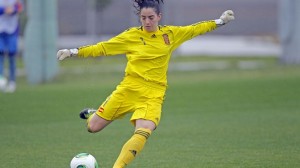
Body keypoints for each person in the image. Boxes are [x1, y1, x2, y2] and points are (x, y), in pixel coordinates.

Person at [57, 0, 234, 167]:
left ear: (159, 16)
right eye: (143, 18)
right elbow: (102, 48)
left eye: (151, 17)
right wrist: (73, 52)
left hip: (153, 93)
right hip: (129, 88)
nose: (147, 22)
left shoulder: (170, 34)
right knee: (93, 127)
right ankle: (93, 115)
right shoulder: (131, 35)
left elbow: (195, 29)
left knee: (144, 130)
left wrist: (220, 21)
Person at [0, 0, 23, 93]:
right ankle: (1, 80)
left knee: (12, 56)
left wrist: (13, 10)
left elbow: (20, 7)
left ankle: (12, 82)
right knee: (0, 56)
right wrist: (4, 9)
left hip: (12, 31)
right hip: (1, 30)